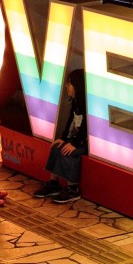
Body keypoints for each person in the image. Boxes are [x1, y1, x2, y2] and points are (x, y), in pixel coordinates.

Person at [33, 69, 88, 204]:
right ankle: (53, 184)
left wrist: (74, 144)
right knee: (57, 147)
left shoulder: (87, 106)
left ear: (78, 86)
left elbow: (86, 128)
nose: (66, 86)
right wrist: (63, 138)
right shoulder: (75, 103)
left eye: (69, 84)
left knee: (68, 153)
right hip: (75, 139)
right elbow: (70, 121)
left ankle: (72, 188)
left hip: (85, 143)